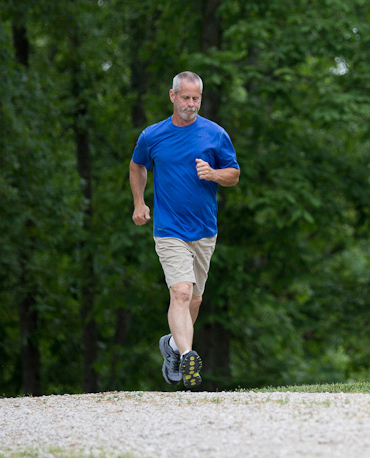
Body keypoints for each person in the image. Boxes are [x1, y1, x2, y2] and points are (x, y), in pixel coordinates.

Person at [129, 71, 240, 389]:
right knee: (180, 292)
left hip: (205, 229)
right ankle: (189, 357)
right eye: (186, 97)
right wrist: (139, 203)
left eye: (196, 98)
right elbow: (137, 165)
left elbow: (233, 174)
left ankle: (174, 347)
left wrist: (214, 174)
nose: (191, 104)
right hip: (169, 229)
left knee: (195, 300)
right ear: (172, 96)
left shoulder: (215, 134)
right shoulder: (153, 136)